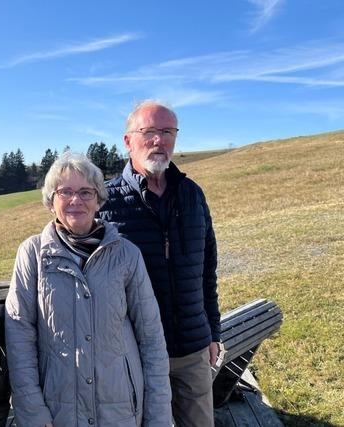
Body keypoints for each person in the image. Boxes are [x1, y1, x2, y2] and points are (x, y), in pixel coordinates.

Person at [5, 152, 172, 427]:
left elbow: (151, 337)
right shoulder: (32, 254)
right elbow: (19, 335)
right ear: (51, 201)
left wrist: (158, 417)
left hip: (122, 412)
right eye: (65, 192)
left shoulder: (127, 255)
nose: (75, 200)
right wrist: (33, 411)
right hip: (58, 413)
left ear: (99, 201)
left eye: (86, 192)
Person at [98, 100, 221, 427]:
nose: (159, 141)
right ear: (128, 141)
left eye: (167, 132)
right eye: (149, 131)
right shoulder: (105, 202)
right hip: (133, 352)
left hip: (192, 348)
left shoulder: (192, 194)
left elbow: (207, 269)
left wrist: (213, 331)